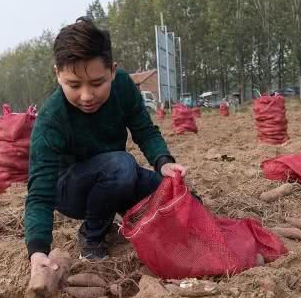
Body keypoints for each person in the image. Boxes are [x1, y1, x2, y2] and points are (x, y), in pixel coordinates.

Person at [24, 17, 188, 279]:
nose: (87, 96)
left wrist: (162, 161)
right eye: (74, 85)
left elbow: (144, 129)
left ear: (112, 70)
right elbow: (40, 192)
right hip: (70, 189)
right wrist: (37, 249)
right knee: (122, 165)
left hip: (114, 176)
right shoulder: (52, 119)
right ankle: (92, 237)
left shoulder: (123, 86)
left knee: (181, 199)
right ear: (57, 74)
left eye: (97, 83)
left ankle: (118, 215)